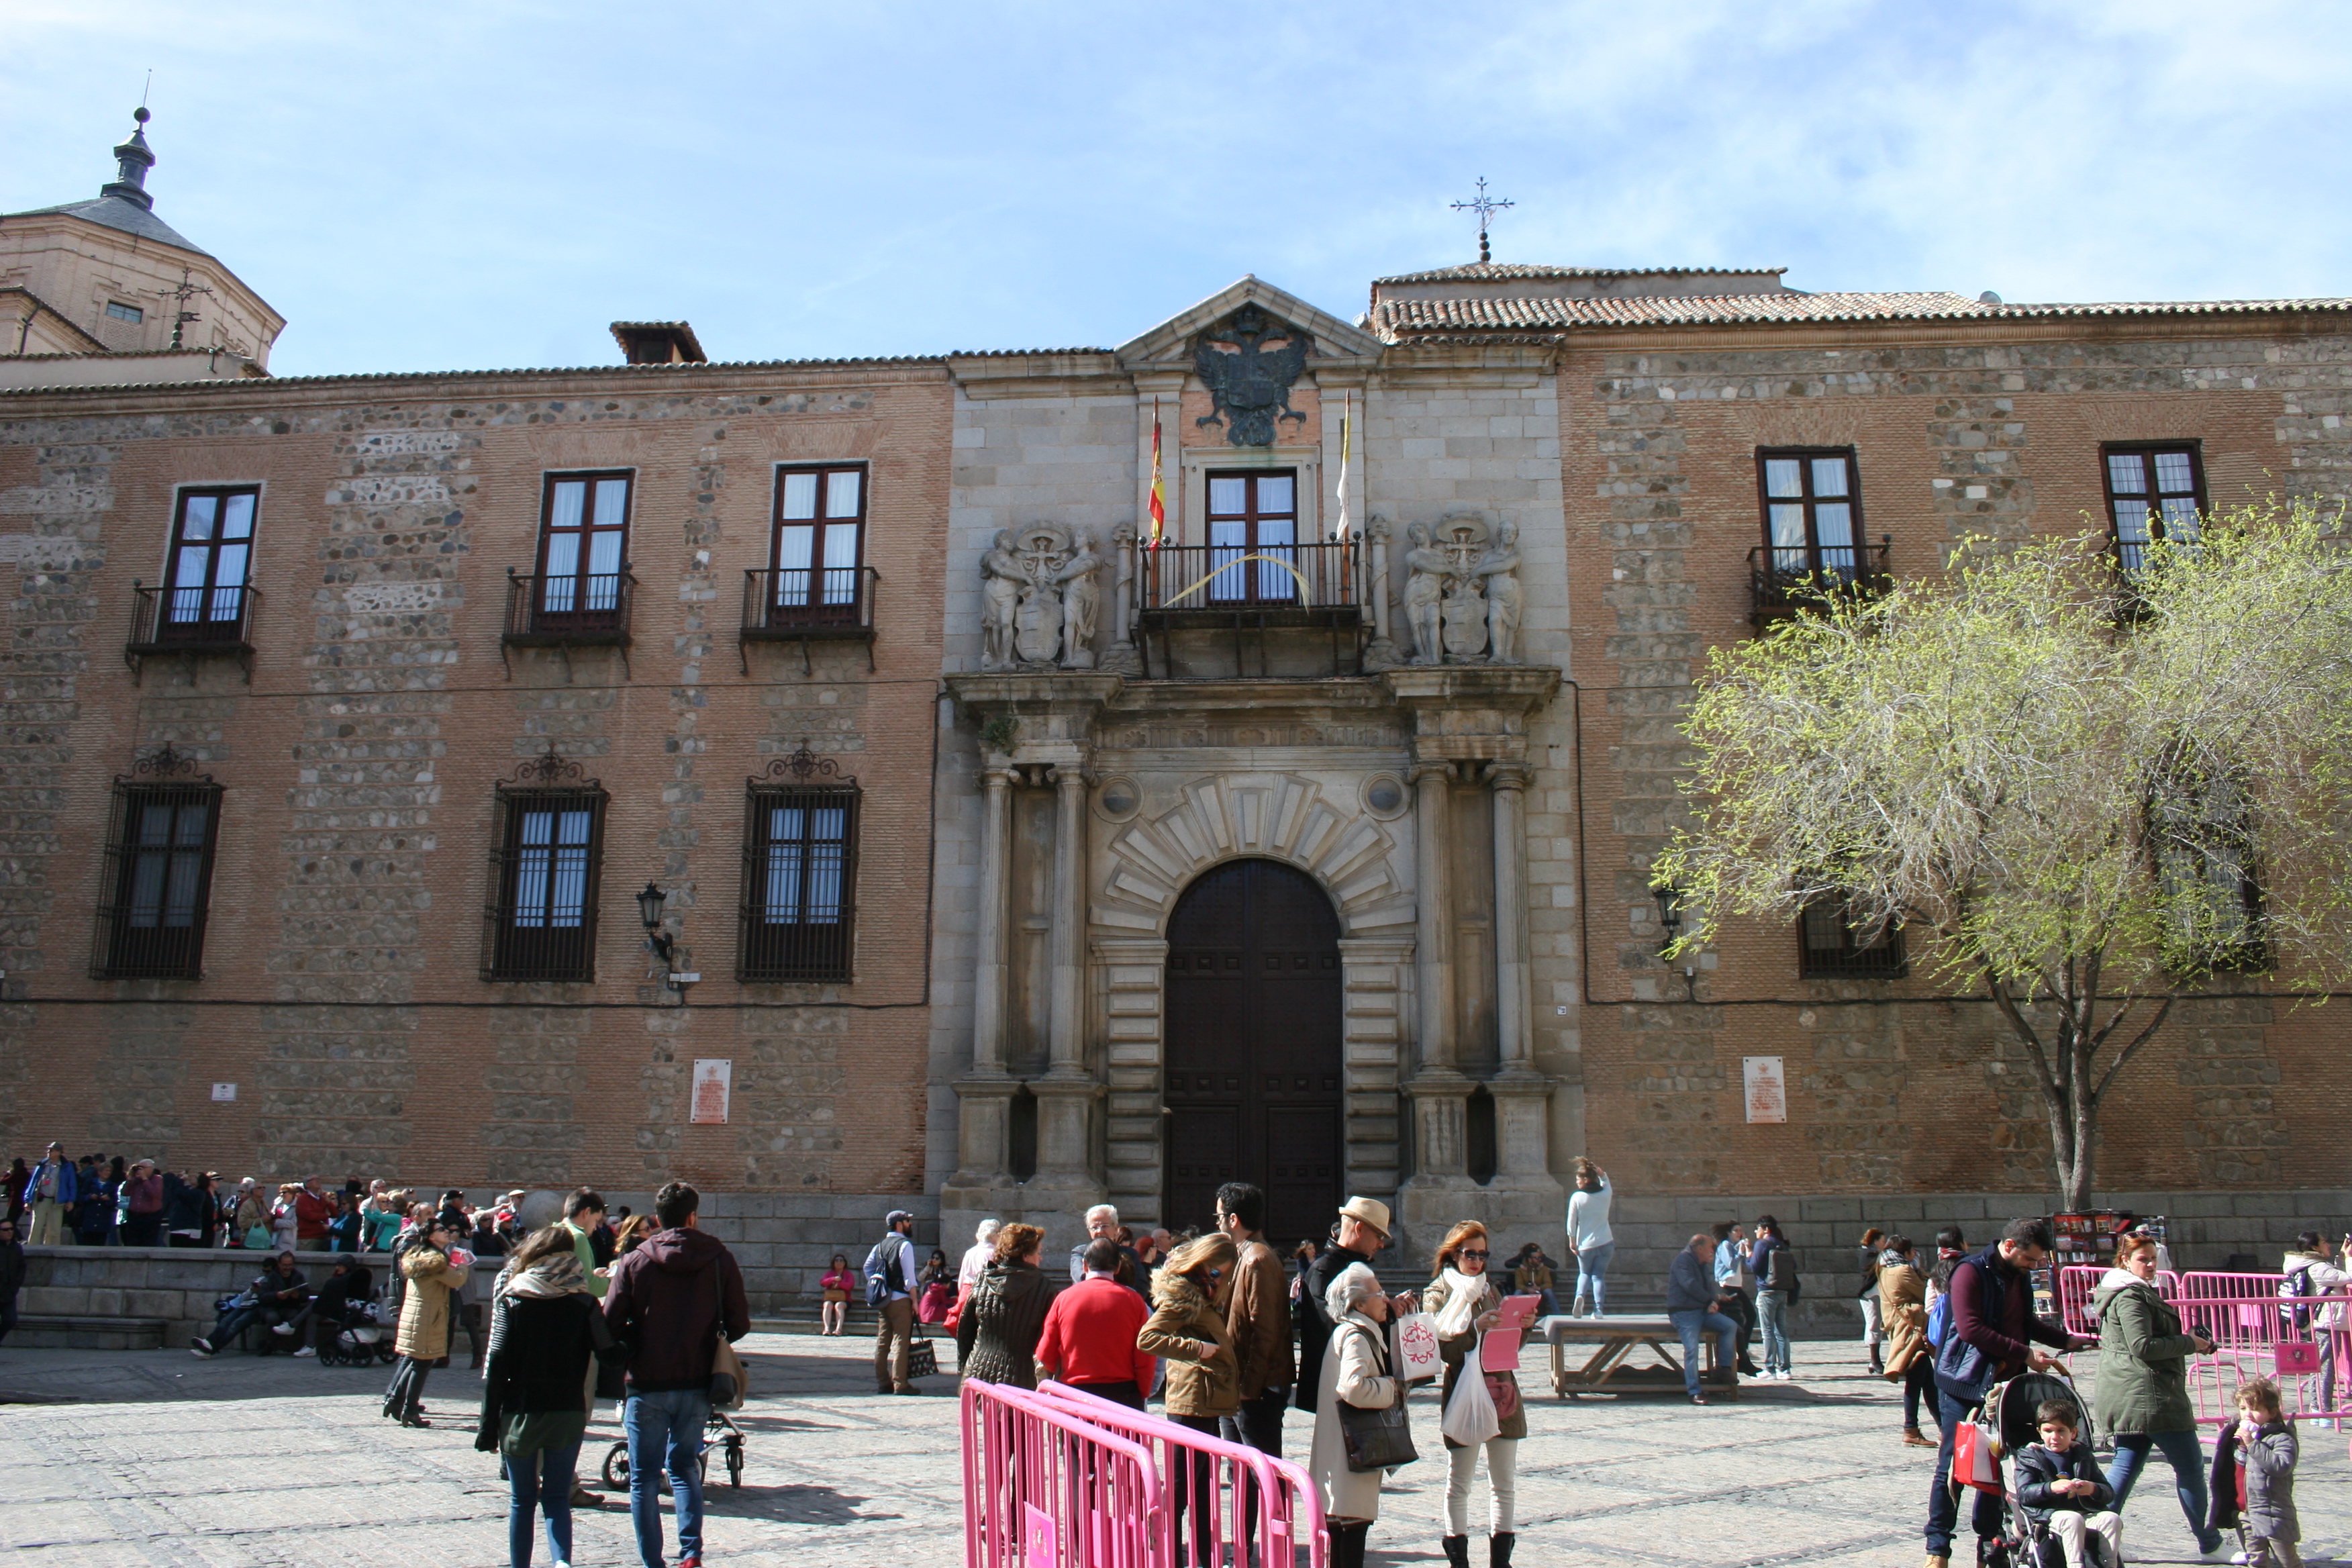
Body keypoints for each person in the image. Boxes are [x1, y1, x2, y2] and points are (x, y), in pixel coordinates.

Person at [1924, 1218, 2093, 1568]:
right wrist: (2026, 1354)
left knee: (1996, 1466)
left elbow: (2024, 1322)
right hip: (1965, 1383)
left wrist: (2064, 1340)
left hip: (2004, 1384)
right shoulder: (1969, 1272)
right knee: (1953, 1466)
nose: (2033, 1267)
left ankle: (1990, 1543)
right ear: (2011, 1245)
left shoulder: (2017, 1274)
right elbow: (1971, 1329)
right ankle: (1938, 1547)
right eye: (2030, 1259)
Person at [603, 1180, 750, 1568]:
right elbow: (739, 1322)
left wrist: (638, 1337)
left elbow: (609, 1322)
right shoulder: (719, 1258)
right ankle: (691, 1554)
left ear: (658, 1219)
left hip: (646, 1380)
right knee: (685, 1468)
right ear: (692, 1216)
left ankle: (653, 1561)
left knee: (644, 1478)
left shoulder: (635, 1260)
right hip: (699, 1380)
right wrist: (709, 1336)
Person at [479, 1228, 622, 1568]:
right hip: (568, 1409)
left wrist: (488, 1424)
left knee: (522, 1501)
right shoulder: (584, 1301)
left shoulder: (514, 1298)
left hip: (520, 1409)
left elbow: (497, 1362)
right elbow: (609, 1353)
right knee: (557, 1499)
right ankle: (562, 1563)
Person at [2092, 1232, 2225, 1561]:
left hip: (2135, 1394)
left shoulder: (2128, 1291)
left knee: (2125, 1465)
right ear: (2125, 1261)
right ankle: (2211, 1544)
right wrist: (2189, 1342)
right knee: (2191, 1468)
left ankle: (2098, 1541)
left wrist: (2191, 1342)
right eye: (2143, 1259)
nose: (2151, 1265)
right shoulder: (2129, 1296)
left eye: (2154, 1258)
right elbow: (2143, 1347)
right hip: (2150, 1397)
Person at [1426, 1220, 1525, 1567]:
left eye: (1484, 1255)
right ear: (1454, 1253)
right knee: (1460, 1481)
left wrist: (1519, 1326)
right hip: (1465, 1392)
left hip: (1501, 1389)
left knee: (1504, 1482)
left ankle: (1501, 1562)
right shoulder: (1438, 1292)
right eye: (1471, 1254)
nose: (1478, 1262)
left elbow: (1508, 1348)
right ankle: (1460, 1562)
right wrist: (1473, 1328)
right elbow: (1442, 1350)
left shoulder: (1490, 1290)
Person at [1137, 1231, 1240, 1559]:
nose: (1218, 1279)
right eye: (1214, 1272)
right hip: (1191, 1403)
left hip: (1206, 1401)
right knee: (1181, 1488)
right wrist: (1198, 1349)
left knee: (1203, 1488)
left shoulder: (1203, 1293)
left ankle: (1203, 1556)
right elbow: (1148, 1338)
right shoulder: (1185, 1297)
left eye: (1222, 1275)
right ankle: (1165, 1554)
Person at [1306, 1262, 1406, 1568]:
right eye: (1379, 1293)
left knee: (1343, 1543)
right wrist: (1392, 1388)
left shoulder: (1352, 1331)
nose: (1385, 1299)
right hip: (1351, 1457)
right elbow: (1354, 1388)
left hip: (1345, 1459)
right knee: (1349, 1545)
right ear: (1359, 1304)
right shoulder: (1356, 1336)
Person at [1295, 1196, 1413, 1416]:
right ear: (1359, 1229)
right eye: (1379, 1235)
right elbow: (1333, 1323)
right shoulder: (1324, 1270)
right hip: (1339, 1388)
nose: (1381, 1244)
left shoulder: (1354, 1265)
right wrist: (1386, 1310)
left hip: (1363, 1382)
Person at [1215, 1181, 1295, 1481]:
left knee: (1260, 1478)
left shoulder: (1258, 1259)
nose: (1217, 1223)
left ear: (1233, 1220)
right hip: (1238, 1386)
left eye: (1219, 1217)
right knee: (1240, 1474)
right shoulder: (1241, 1255)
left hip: (1255, 1392)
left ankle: (1270, 1528)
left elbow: (1265, 1331)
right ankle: (1243, 1530)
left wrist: (1249, 1388)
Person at [1036, 1237, 1155, 1407]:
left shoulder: (1063, 1298)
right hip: (1122, 1395)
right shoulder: (1134, 1301)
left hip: (1074, 1394)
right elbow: (1145, 1354)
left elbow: (1045, 1354)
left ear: (1085, 1265)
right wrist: (1142, 1392)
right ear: (1118, 1267)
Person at [2014, 1398, 2121, 1568]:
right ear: (2040, 1433)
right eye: (2048, 1431)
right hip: (2049, 1514)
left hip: (2084, 1512)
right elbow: (2024, 1494)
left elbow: (2108, 1492)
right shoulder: (2031, 1457)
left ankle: (2111, 1565)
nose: (2055, 1437)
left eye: (2061, 1431)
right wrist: (2050, 1488)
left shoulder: (2081, 1455)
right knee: (2072, 1519)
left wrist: (2092, 1489)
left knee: (2111, 1518)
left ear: (2073, 1433)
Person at [383, 1217, 464, 1426]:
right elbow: (457, 1280)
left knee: (414, 1360)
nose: (446, 1232)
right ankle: (409, 1410)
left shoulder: (419, 1254)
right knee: (423, 1362)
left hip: (417, 1314)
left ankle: (395, 1400)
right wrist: (463, 1265)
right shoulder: (434, 1260)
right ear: (430, 1236)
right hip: (428, 1315)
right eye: (440, 1229)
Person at [958, 1221, 1051, 1389]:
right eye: (1039, 1252)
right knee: (1017, 1417)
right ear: (1025, 1256)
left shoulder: (983, 1280)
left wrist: (965, 1369)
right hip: (1023, 1376)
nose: (1041, 1258)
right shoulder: (1044, 1288)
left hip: (980, 1371)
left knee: (987, 1416)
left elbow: (966, 1329)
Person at [2280, 1230, 2351, 1420]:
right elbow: (2347, 1278)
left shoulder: (2310, 1265)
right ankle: (2322, 1410)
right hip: (2326, 1323)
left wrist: (2343, 1256)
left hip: (2320, 1321)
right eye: (2324, 1242)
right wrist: (2349, 1259)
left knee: (2319, 1365)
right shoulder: (2319, 1268)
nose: (2328, 1245)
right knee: (2325, 1366)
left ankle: (2318, 1408)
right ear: (2314, 1247)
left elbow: (2337, 1276)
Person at [2232, 1377, 2300, 1568]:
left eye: (2255, 1409)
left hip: (2273, 1512)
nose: (2248, 1414)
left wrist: (2253, 1444)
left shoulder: (2282, 1439)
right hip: (2249, 1512)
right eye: (2243, 1409)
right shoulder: (2242, 1437)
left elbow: (2280, 1466)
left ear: (2272, 1413)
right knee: (2257, 1559)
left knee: (2287, 1560)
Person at [1665, 1232, 1740, 1406]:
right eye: (1710, 1248)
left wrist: (1715, 1299)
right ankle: (1694, 1391)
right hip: (1684, 1313)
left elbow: (1704, 1288)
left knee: (1730, 1326)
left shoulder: (1701, 1263)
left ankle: (1723, 1368)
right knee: (1692, 1349)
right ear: (1699, 1248)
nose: (1713, 1251)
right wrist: (1709, 1301)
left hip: (1701, 1310)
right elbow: (1689, 1285)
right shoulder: (1683, 1261)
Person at [1877, 1235, 1937, 1446]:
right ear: (1907, 1253)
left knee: (1928, 1382)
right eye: (1913, 1252)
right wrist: (1920, 1270)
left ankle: (1942, 1428)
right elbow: (1925, 1293)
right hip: (1911, 1332)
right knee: (1916, 1382)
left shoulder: (1884, 1269)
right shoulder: (1903, 1271)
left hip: (1904, 1330)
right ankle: (1911, 1430)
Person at [865, 1208, 922, 1394]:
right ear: (899, 1224)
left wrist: (879, 1284)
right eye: (907, 1221)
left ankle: (883, 1382)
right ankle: (900, 1383)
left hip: (884, 1300)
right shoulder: (904, 1245)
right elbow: (909, 1277)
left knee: (883, 1342)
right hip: (900, 1299)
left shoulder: (880, 1245)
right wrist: (915, 1301)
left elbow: (868, 1268)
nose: (910, 1224)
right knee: (901, 1341)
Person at [1710, 1220, 1762, 1375]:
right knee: (1738, 1320)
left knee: (1749, 1316)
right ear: (1728, 1233)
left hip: (1736, 1287)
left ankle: (1742, 1353)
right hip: (1727, 1288)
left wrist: (1744, 1247)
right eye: (1736, 1230)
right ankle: (1740, 1358)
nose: (1739, 1233)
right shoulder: (1725, 1245)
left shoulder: (1734, 1246)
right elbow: (1731, 1263)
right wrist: (1740, 1251)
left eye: (1741, 1230)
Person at [1563, 1157, 1612, 1317]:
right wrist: (1602, 1173)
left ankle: (1579, 1297)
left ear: (1586, 1179)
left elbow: (1571, 1222)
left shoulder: (1577, 1197)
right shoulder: (1606, 1193)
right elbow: (1605, 1180)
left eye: (1578, 1179)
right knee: (1598, 1277)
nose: (1577, 1182)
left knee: (1584, 1274)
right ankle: (1598, 1310)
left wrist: (1572, 1242)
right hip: (1606, 1242)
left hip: (1585, 1244)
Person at [1751, 1214, 1796, 1381]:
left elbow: (1754, 1267)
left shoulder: (1762, 1244)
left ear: (1766, 1229)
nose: (1756, 1231)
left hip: (1766, 1291)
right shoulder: (1782, 1244)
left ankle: (1769, 1368)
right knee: (1782, 1331)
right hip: (1782, 1291)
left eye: (1758, 1228)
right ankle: (1785, 1369)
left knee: (1767, 1331)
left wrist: (1749, 1255)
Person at [305, 1258, 375, 1359]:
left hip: (341, 1310)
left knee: (314, 1310)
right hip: (341, 1309)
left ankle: (298, 1332)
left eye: (340, 1266)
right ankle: (293, 1326)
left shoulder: (343, 1281)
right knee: (313, 1314)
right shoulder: (341, 1280)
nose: (337, 1268)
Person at [556, 1189, 609, 1300]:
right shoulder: (578, 1237)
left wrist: (593, 1275)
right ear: (586, 1212)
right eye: (596, 1220)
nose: (595, 1228)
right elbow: (589, 1286)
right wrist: (612, 1281)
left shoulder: (553, 1230)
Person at [21, 1142, 77, 1246]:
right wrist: (27, 1200)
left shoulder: (66, 1167)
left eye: (52, 1150)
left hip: (57, 1201)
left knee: (54, 1230)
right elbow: (32, 1183)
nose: (49, 1152)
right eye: (48, 1150)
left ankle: (53, 1251)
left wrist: (71, 1200)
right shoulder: (42, 1165)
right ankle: (32, 1249)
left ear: (59, 1152)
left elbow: (72, 1184)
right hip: (41, 1199)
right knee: (36, 1226)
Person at [1855, 1226, 1887, 1374]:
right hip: (1870, 1294)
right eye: (1882, 1241)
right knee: (1873, 1323)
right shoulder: (1869, 1254)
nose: (1884, 1243)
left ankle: (1876, 1361)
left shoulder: (1876, 1254)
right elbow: (1870, 1271)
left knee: (1879, 1324)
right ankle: (1874, 1360)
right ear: (1875, 1241)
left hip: (1878, 1294)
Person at [119, 1159, 164, 1246]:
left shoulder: (157, 1179)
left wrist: (144, 1179)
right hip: (134, 1216)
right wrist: (130, 1180)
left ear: (150, 1168)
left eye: (143, 1168)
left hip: (150, 1217)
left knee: (148, 1243)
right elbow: (125, 1193)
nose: (140, 1170)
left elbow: (154, 1194)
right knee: (132, 1242)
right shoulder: (136, 1180)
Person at [1508, 1242, 1560, 1319]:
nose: (1539, 1259)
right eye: (1536, 1258)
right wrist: (1527, 1289)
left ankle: (1558, 1315)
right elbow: (1519, 1284)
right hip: (1526, 1287)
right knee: (1518, 1292)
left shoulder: (1543, 1267)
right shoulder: (1520, 1268)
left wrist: (1539, 1288)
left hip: (1539, 1287)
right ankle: (1511, 1315)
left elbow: (1548, 1283)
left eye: (1540, 1257)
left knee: (1549, 1291)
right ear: (1529, 1259)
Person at [293, 1176, 336, 1251]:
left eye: (319, 1179)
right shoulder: (303, 1199)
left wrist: (329, 1202)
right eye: (314, 1180)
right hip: (308, 1238)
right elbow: (311, 1216)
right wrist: (327, 1215)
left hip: (323, 1236)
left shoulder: (322, 1198)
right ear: (307, 1184)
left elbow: (335, 1214)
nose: (318, 1181)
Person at [818, 1252, 855, 1336]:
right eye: (837, 1261)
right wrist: (833, 1279)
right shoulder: (830, 1273)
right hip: (831, 1297)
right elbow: (823, 1283)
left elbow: (850, 1285)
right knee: (827, 1304)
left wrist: (839, 1284)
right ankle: (826, 1329)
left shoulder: (848, 1274)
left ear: (845, 1263)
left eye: (841, 1261)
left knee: (839, 1305)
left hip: (844, 1299)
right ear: (833, 1263)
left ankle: (838, 1329)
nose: (839, 1263)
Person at [0, 1216, 23, 1343]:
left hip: (9, 1292)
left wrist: (16, 1285)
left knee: (10, 1320)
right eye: (5, 1230)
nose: (9, 1232)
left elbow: (21, 1267)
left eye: (11, 1229)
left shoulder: (16, 1248)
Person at [916, 1247, 954, 1324]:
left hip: (939, 1290)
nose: (934, 1260)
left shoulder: (944, 1269)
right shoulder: (928, 1267)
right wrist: (928, 1268)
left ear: (941, 1260)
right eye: (933, 1258)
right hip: (928, 1289)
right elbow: (919, 1279)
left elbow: (946, 1281)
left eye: (937, 1259)